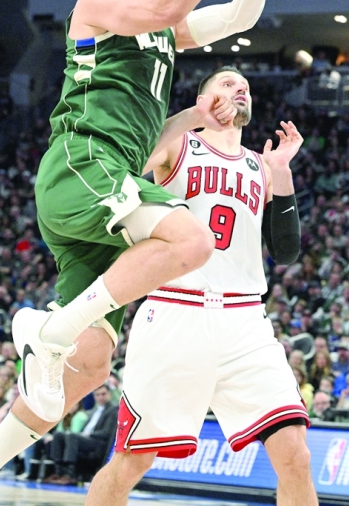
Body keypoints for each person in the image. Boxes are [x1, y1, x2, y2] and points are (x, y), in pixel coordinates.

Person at [0, 0, 318, 503]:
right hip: (85, 162)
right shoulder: (98, 1)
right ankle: (47, 331)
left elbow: (239, 13)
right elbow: (165, 8)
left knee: (86, 369)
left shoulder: (162, 32)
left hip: (111, 188)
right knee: (192, 241)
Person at [86, 68, 315, 505]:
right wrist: (191, 118)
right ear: (203, 97)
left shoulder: (260, 165)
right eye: (227, 83)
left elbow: (286, 252)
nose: (239, 88)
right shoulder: (179, 144)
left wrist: (282, 172)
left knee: (296, 456)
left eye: (244, 86)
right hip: (177, 308)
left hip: (245, 320)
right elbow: (125, 165)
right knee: (133, 460)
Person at [44, 385, 118, 486]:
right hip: (85, 438)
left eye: (103, 394)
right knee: (58, 435)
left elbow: (106, 433)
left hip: (98, 441)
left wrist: (88, 434)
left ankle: (69, 474)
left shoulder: (113, 410)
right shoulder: (93, 411)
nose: (100, 397)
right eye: (97, 395)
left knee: (72, 436)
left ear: (109, 394)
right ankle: (58, 472)